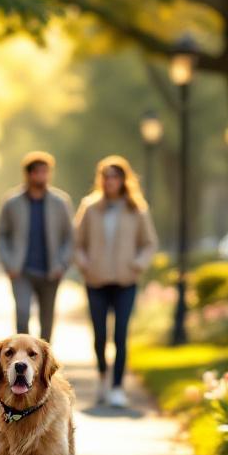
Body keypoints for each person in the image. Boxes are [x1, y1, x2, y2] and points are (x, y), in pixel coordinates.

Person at [74, 156, 158, 408]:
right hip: (96, 281)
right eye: (106, 176)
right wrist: (85, 265)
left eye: (115, 176)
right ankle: (102, 378)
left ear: (123, 179)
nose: (110, 181)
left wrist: (137, 264)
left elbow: (149, 243)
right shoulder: (89, 207)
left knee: (120, 335)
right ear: (101, 179)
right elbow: (77, 243)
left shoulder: (136, 209)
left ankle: (118, 386)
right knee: (100, 335)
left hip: (125, 281)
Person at [0, 151, 74, 342]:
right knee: (22, 314)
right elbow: (1, 235)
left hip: (51, 271)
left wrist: (63, 264)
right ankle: (22, 355)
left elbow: (70, 237)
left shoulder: (60, 202)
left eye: (46, 172)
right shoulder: (12, 202)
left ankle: (44, 363)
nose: (42, 176)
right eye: (38, 172)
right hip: (21, 271)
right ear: (28, 174)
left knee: (47, 320)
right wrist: (8, 263)